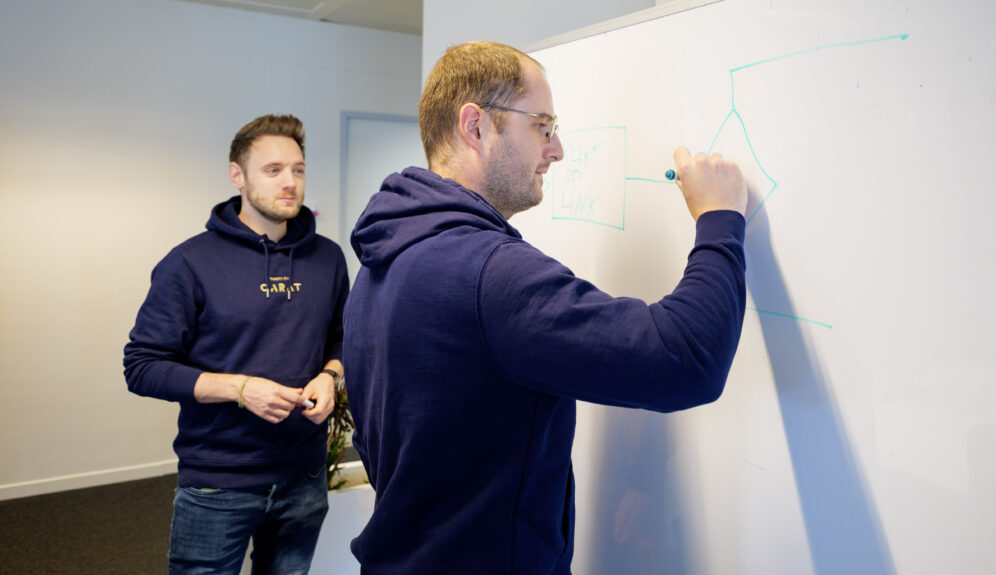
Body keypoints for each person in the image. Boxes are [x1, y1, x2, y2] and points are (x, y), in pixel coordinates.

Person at [343, 41, 748, 574]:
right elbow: (687, 359)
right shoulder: (489, 272)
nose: (556, 150)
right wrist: (719, 218)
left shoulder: (381, 262)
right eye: (543, 125)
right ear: (476, 127)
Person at [123, 114, 349, 574]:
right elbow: (142, 366)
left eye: (298, 169)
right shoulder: (189, 262)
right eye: (273, 170)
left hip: (304, 476)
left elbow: (344, 338)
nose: (290, 182)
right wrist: (241, 388)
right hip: (219, 482)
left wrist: (330, 375)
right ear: (237, 175)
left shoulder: (328, 257)